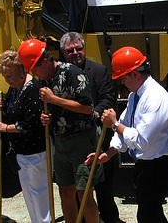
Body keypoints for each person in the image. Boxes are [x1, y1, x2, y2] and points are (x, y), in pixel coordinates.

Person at [85, 46, 168, 223]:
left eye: (123, 78)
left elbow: (142, 141)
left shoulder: (156, 98)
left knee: (148, 215)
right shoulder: (136, 95)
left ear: (135, 74)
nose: (121, 83)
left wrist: (114, 124)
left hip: (158, 166)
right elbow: (126, 125)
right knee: (151, 213)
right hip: (146, 164)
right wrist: (110, 152)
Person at [18, 39, 101, 223]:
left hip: (81, 140)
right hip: (60, 142)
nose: (33, 73)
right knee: (65, 191)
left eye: (34, 68)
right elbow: (50, 108)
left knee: (84, 193)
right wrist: (45, 117)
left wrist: (54, 100)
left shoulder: (72, 72)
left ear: (45, 61)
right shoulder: (44, 80)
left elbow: (87, 107)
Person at [60, 32, 120, 223]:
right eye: (70, 51)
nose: (76, 53)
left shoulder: (99, 71)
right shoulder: (60, 74)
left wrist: (93, 114)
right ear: (63, 53)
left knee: (104, 186)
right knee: (80, 187)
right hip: (74, 141)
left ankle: (110, 218)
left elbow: (108, 98)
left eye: (79, 48)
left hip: (98, 135)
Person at [0, 50, 50, 223]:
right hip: (21, 152)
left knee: (39, 193)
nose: (7, 80)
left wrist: (6, 128)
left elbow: (30, 124)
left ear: (21, 69)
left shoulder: (32, 89)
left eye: (9, 75)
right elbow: (13, 112)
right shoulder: (13, 89)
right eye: (4, 77)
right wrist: (2, 105)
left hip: (35, 151)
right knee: (28, 194)